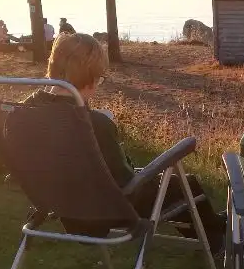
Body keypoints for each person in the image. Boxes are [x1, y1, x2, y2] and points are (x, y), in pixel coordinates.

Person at [23, 33, 225, 254]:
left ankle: (213, 236)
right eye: (99, 78)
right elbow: (125, 181)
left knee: (174, 186)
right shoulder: (93, 124)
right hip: (110, 210)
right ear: (89, 78)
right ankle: (218, 237)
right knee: (185, 185)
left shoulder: (24, 114)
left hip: (63, 204)